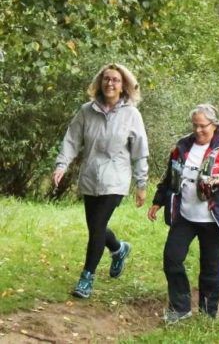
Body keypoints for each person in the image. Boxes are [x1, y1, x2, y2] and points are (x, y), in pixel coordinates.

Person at [52, 63, 149, 299]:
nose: (110, 83)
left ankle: (86, 278)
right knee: (96, 227)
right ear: (100, 82)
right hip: (90, 176)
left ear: (123, 84)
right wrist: (61, 164)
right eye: (106, 79)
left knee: (96, 229)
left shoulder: (131, 114)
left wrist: (141, 183)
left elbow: (140, 150)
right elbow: (72, 140)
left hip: (116, 179)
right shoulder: (87, 110)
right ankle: (118, 249)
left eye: (115, 80)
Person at [148, 104, 219, 323]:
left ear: (214, 125)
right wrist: (158, 202)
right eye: (195, 126)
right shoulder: (182, 147)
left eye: (203, 126)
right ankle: (180, 308)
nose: (199, 130)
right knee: (172, 259)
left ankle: (208, 313)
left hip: (214, 218)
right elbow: (169, 177)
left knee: (211, 266)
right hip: (185, 216)